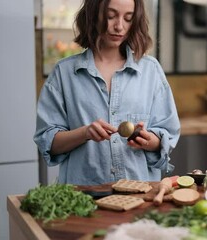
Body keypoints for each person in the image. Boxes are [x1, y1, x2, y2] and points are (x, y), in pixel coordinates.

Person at [34, 0, 180, 185]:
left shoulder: (151, 70)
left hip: (140, 195)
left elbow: (166, 134)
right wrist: (85, 133)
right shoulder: (64, 73)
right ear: (93, 14)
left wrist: (148, 140)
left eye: (128, 18)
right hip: (83, 197)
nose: (119, 26)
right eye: (110, 16)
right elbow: (48, 142)